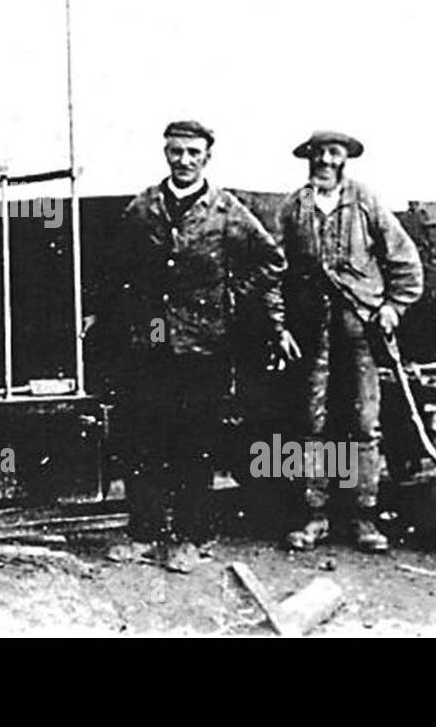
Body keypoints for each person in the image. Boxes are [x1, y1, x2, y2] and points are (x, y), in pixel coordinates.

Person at [102, 120, 300, 573]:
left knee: (194, 444)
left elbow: (272, 261)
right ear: (165, 154)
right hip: (150, 343)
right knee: (143, 440)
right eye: (176, 152)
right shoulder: (144, 207)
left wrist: (231, 295)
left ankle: (193, 537)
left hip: (205, 346)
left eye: (193, 153)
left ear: (207, 157)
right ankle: (145, 532)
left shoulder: (227, 210)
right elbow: (117, 267)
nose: (184, 160)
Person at [278, 131, 423, 553]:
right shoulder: (294, 207)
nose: (325, 160)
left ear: (345, 160)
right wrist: (282, 324)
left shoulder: (365, 201)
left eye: (334, 153)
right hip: (310, 330)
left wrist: (393, 306)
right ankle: (315, 515)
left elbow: (404, 258)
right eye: (318, 153)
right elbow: (276, 269)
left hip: (358, 326)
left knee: (362, 421)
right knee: (311, 421)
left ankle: (363, 515)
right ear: (308, 159)